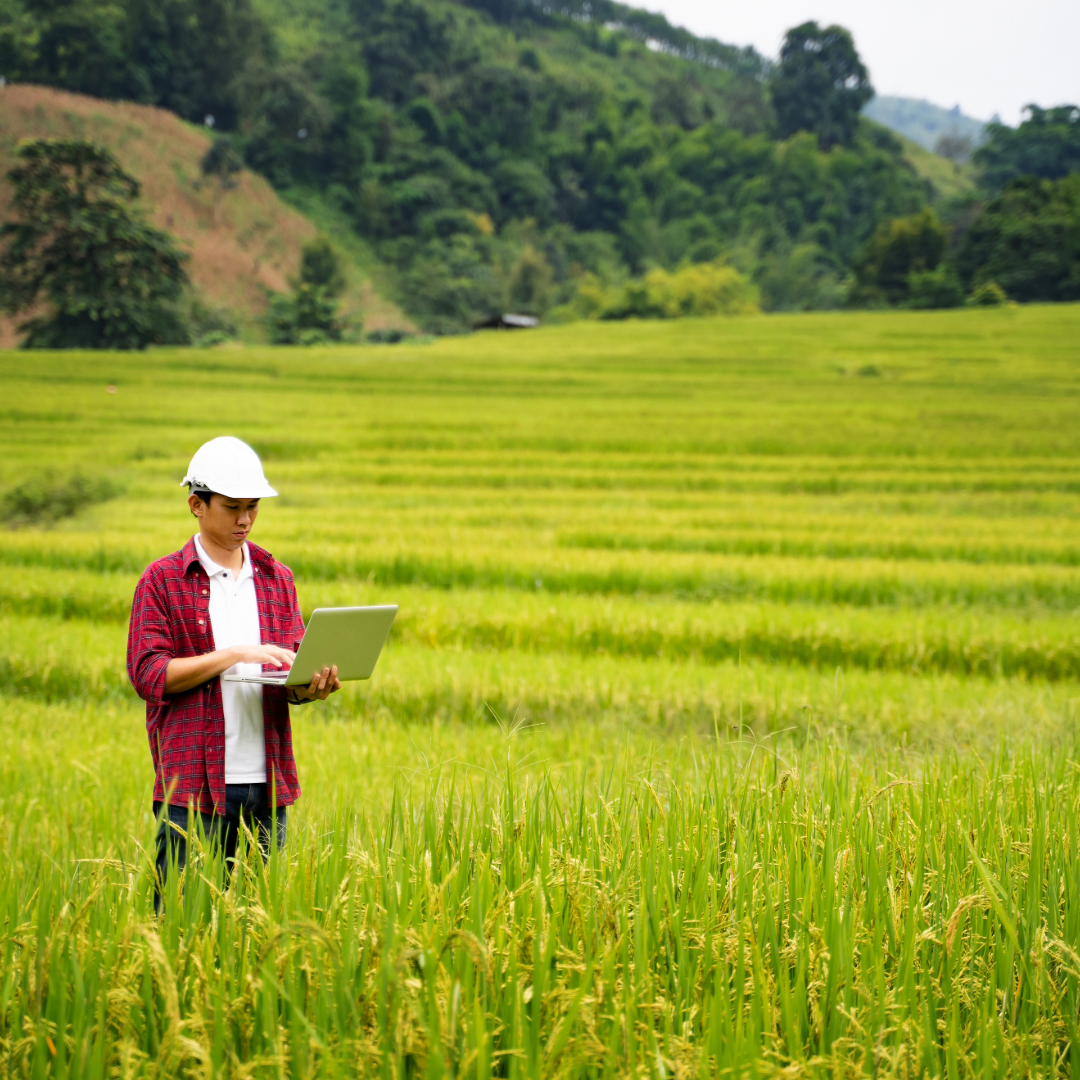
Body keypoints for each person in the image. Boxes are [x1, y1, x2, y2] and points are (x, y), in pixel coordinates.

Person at [126, 436, 341, 903]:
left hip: (267, 785)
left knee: (255, 931)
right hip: (192, 791)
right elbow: (149, 676)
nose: (245, 519)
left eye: (253, 507)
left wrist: (311, 686)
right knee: (182, 927)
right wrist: (233, 654)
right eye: (232, 507)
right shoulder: (161, 580)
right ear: (196, 505)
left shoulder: (275, 577)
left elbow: (290, 677)